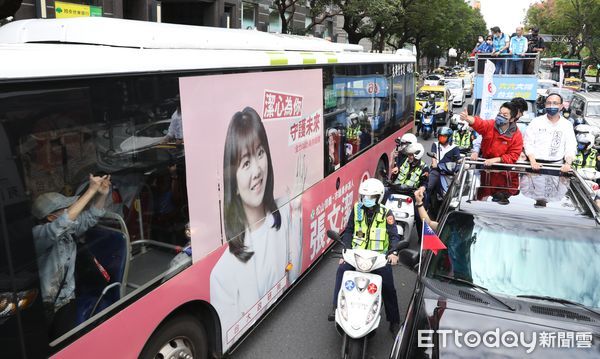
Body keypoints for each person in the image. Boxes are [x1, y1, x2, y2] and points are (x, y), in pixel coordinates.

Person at [210, 107, 304, 343]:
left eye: (260, 153)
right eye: (245, 163)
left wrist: (298, 212)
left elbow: (294, 276)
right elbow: (231, 337)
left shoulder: (285, 209)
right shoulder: (221, 273)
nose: (257, 170)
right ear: (233, 178)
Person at [31, 174, 111, 339]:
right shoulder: (38, 235)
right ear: (51, 217)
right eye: (65, 209)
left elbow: (91, 216)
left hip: (67, 301)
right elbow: (61, 224)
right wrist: (90, 191)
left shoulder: (69, 230)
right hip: (46, 306)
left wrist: (101, 194)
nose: (70, 211)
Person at [328, 178, 404, 334]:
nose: (367, 200)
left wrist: (394, 252)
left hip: (378, 259)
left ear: (379, 197)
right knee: (341, 271)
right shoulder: (356, 209)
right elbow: (349, 231)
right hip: (356, 255)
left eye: (371, 197)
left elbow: (394, 235)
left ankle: (394, 321)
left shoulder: (386, 213)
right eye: (364, 196)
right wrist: (346, 251)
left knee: (389, 287)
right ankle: (336, 308)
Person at [523, 93, 577, 173]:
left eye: (555, 103)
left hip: (556, 166)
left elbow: (570, 146)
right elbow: (528, 143)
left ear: (561, 106)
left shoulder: (567, 124)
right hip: (535, 165)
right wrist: (532, 161)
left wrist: (568, 164)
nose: (551, 106)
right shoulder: (536, 122)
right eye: (549, 103)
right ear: (545, 105)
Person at [459, 102, 523, 165]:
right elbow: (480, 124)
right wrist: (467, 118)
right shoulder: (491, 125)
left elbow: (513, 155)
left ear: (512, 119)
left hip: (504, 170)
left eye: (505, 115)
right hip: (484, 164)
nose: (500, 116)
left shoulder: (516, 136)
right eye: (500, 113)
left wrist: (497, 160)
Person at [427, 127, 460, 204]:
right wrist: (434, 164)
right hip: (437, 170)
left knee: (459, 187)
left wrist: (463, 163)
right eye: (440, 136)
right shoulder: (435, 144)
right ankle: (426, 205)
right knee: (428, 187)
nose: (441, 138)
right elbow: (433, 156)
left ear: (449, 137)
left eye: (444, 137)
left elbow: (458, 159)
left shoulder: (454, 147)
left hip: (450, 172)